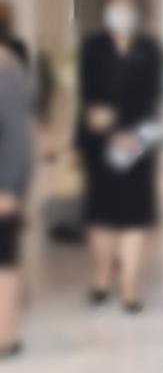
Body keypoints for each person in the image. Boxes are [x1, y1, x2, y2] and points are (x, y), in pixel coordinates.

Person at [75, 0, 163, 312]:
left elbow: (151, 97)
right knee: (102, 214)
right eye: (116, 5)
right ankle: (101, 277)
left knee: (134, 216)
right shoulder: (93, 47)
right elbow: (89, 95)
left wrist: (132, 134)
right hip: (100, 142)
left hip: (138, 141)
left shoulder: (149, 49)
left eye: (128, 6)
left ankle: (129, 286)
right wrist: (109, 129)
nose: (121, 12)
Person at [0, 44, 31, 358]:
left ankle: (5, 338)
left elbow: (17, 134)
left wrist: (9, 186)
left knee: (4, 260)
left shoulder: (4, 67)